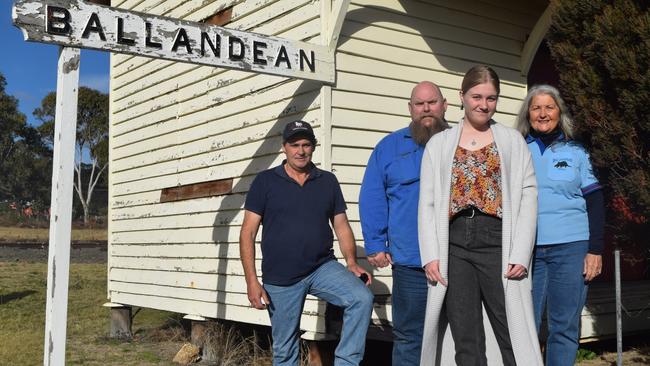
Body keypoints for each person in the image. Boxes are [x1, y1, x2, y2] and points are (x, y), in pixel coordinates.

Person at [418, 65, 542, 365]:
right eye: (476, 96)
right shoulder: (439, 144)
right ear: (461, 97)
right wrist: (431, 255)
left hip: (498, 241)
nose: (483, 105)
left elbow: (528, 196)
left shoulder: (511, 141)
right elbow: (428, 204)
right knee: (465, 334)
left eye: (491, 98)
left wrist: (521, 252)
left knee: (511, 329)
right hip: (455, 244)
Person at [239, 120, 374, 366]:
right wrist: (251, 281)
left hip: (322, 267)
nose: (301, 150)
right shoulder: (265, 182)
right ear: (284, 148)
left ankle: (346, 363)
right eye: (295, 145)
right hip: (281, 278)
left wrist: (352, 262)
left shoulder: (327, 181)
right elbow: (247, 232)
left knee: (361, 298)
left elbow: (341, 224)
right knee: (285, 346)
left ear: (313, 147)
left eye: (306, 144)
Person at [359, 81, 448, 365]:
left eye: (432, 102)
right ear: (410, 109)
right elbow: (372, 197)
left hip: (459, 259)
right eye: (420, 104)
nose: (426, 109)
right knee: (409, 336)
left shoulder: (461, 142)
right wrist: (375, 244)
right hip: (411, 261)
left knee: (459, 334)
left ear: (444, 105)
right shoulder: (388, 148)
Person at [515, 84, 604, 365]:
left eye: (549, 107)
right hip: (527, 251)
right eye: (536, 107)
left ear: (559, 112)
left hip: (571, 248)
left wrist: (595, 249)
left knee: (563, 325)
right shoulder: (516, 149)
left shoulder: (576, 152)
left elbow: (595, 200)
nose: (543, 113)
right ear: (527, 114)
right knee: (523, 326)